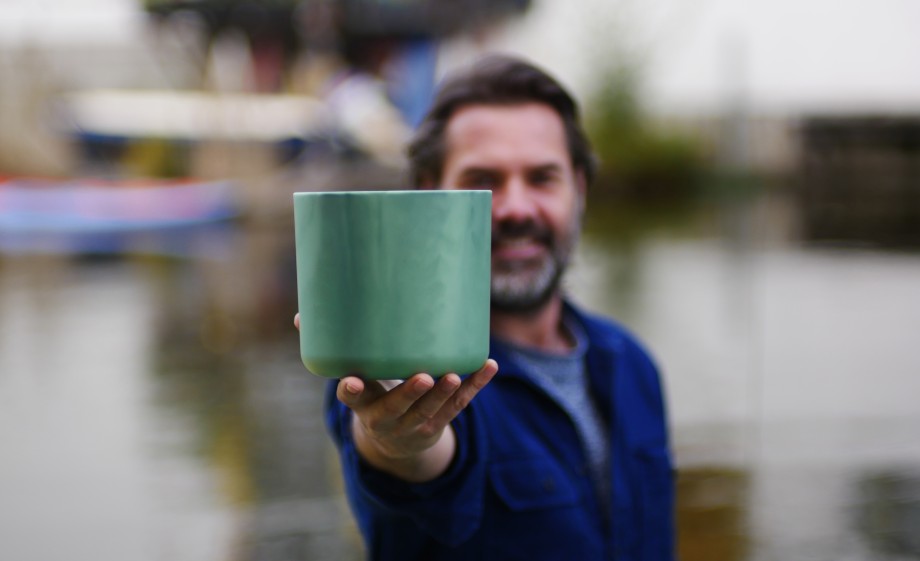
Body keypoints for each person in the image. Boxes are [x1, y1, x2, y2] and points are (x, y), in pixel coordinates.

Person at [298, 54, 675, 560]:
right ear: (430, 195)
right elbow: (412, 455)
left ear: (579, 190)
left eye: (543, 178)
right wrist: (399, 440)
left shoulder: (633, 362)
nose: (516, 208)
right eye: (485, 180)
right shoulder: (396, 372)